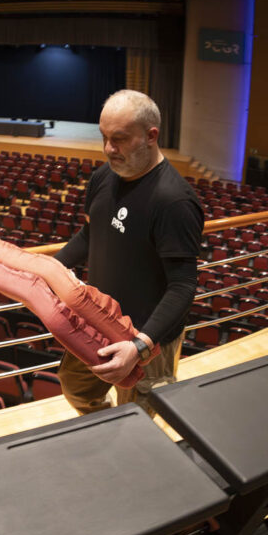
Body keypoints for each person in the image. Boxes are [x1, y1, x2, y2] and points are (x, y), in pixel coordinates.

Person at [53, 89, 204, 415]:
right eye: (104, 137)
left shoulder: (174, 201)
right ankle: (108, 426)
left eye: (119, 139)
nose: (108, 149)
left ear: (151, 136)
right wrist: (46, 268)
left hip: (148, 336)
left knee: (141, 416)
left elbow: (183, 285)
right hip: (97, 319)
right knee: (75, 386)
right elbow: (90, 234)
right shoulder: (103, 176)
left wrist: (140, 345)